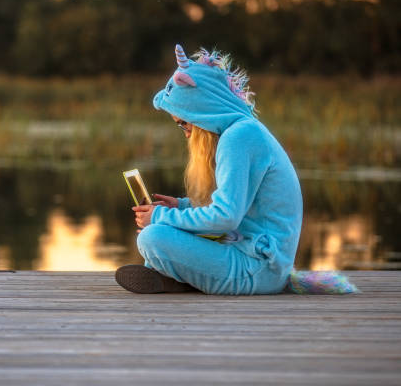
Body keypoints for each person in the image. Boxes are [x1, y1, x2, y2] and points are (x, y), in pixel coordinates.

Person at [115, 44, 304, 295]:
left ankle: (174, 276)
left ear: (202, 112)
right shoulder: (243, 131)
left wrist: (158, 217)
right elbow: (238, 209)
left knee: (152, 237)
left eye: (184, 123)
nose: (186, 133)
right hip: (258, 259)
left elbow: (226, 217)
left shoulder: (238, 137)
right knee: (160, 231)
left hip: (258, 269)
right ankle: (175, 279)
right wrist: (181, 207)